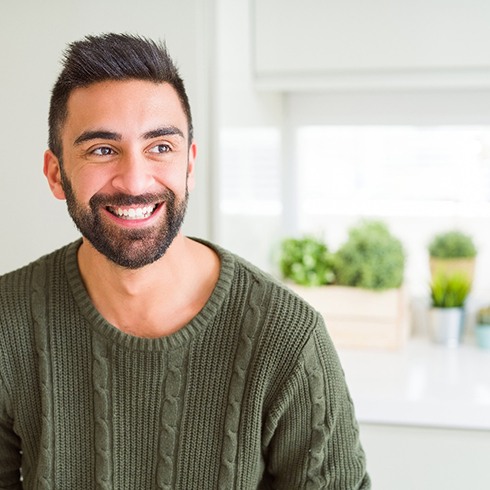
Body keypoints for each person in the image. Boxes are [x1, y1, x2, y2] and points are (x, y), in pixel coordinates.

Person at [0, 33, 370, 488]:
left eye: (160, 147)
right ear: (57, 174)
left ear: (190, 164)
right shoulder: (6, 322)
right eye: (102, 149)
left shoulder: (288, 339)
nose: (135, 180)